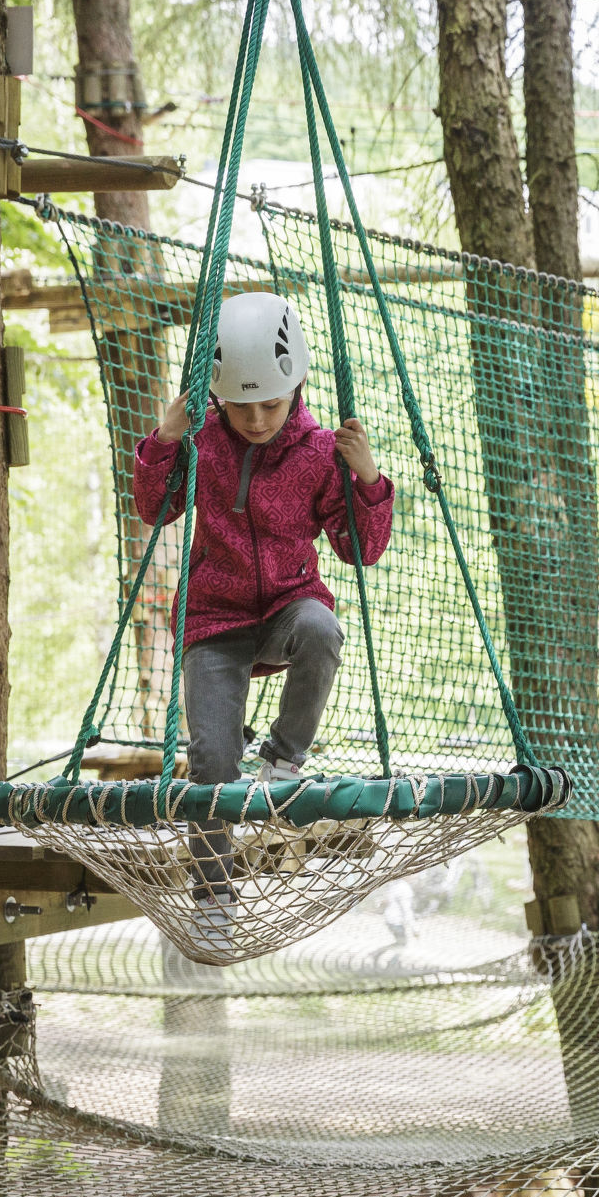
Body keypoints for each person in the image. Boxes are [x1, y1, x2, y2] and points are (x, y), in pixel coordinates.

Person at [133, 291, 393, 958]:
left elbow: (359, 550)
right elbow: (153, 508)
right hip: (214, 619)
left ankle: (282, 755)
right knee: (212, 764)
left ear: (296, 385)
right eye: (239, 405)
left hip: (285, 607)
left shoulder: (318, 450)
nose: (254, 418)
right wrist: (165, 441)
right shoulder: (202, 442)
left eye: (269, 404)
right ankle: (215, 894)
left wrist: (367, 481)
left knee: (322, 630)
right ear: (216, 395)